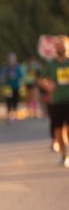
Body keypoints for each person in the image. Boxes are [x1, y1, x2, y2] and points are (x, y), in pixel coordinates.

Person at [40, 36, 69, 168]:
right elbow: (41, 80)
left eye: (63, 45)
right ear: (55, 48)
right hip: (56, 101)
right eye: (58, 45)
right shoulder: (51, 64)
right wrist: (47, 85)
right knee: (58, 131)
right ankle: (64, 155)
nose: (61, 47)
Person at [0, 52, 24, 121]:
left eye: (13, 58)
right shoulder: (5, 67)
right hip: (7, 86)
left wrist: (15, 77)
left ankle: (15, 114)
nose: (11, 59)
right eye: (10, 58)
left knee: (15, 100)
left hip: (15, 86)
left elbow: (21, 75)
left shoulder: (17, 67)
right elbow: (1, 75)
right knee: (8, 100)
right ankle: (9, 114)